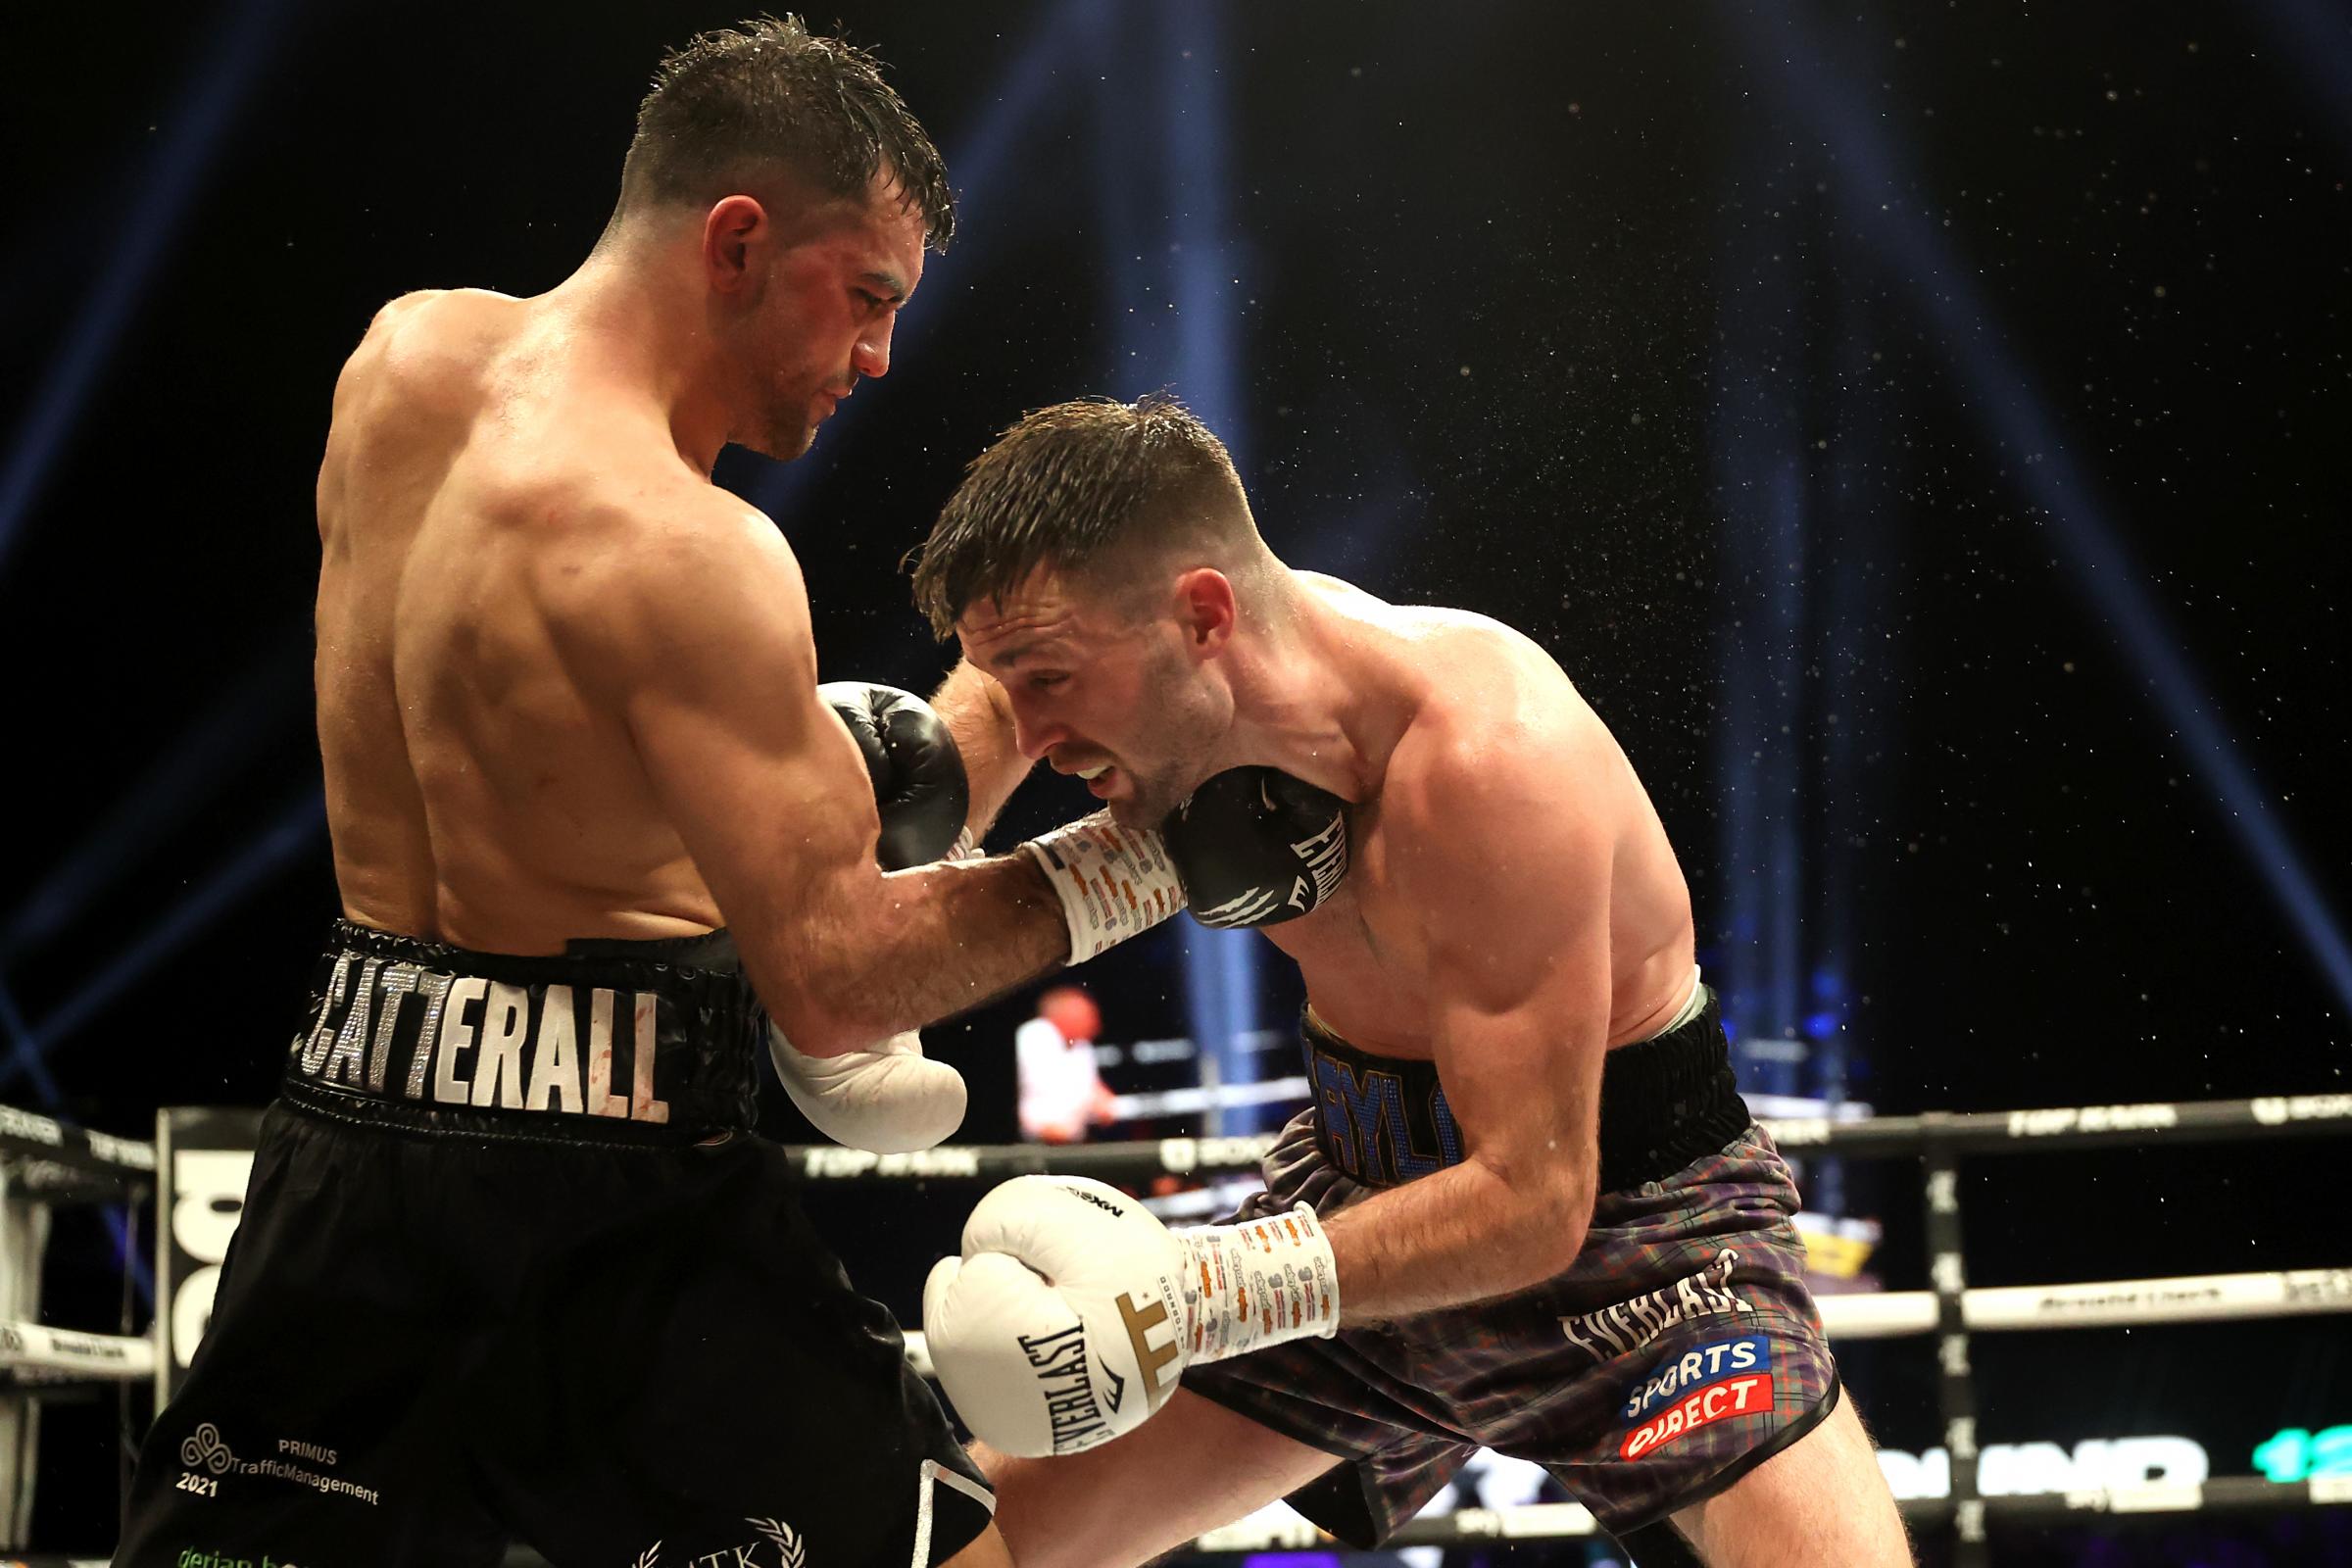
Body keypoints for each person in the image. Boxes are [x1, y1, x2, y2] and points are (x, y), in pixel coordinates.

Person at [112, 23, 1196, 1568]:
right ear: (740, 241)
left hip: (348, 1145)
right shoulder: (695, 556)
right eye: (868, 296)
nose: (880, 357)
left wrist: (1000, 693)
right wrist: (1148, 865)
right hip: (618, 1207)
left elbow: (592, 764)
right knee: (973, 1554)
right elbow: (833, 980)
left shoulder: (398, 366)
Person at [911, 397, 1915, 1568]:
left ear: (1202, 616)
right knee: (975, 1548)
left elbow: (1534, 1204)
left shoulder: (1492, 762)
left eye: (1049, 678)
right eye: (1012, 680)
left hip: (1637, 1230)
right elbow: (992, 693)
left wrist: (1188, 1288)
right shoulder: (1173, 694)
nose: (1031, 728)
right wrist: (923, 835)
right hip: (1363, 1193)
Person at [1015, 985, 1119, 1144]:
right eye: (1088, 1016)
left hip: (1072, 1139)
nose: (1095, 1024)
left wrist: (1103, 1099)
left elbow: (1092, 1088)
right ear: (1067, 1016)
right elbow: (1048, 1085)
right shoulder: (1035, 1035)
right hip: (1038, 1140)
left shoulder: (1082, 1045)